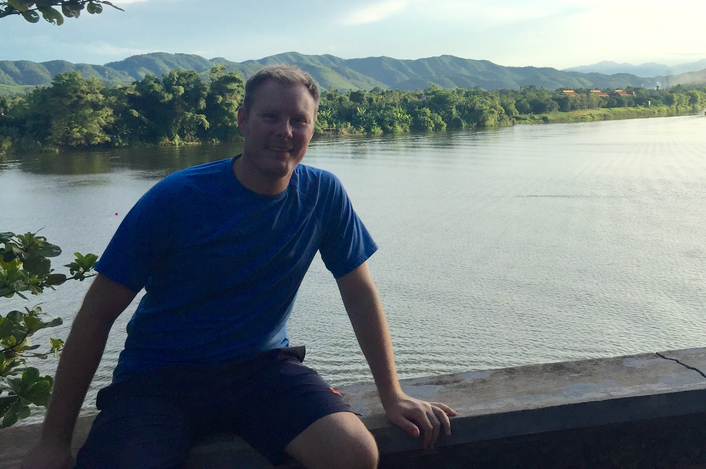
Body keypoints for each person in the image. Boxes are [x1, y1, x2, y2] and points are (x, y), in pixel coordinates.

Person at [21, 65, 455, 469]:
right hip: (159, 380)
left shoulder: (323, 194)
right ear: (243, 120)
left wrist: (392, 393)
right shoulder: (176, 198)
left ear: (312, 128)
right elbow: (97, 313)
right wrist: (54, 441)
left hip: (261, 370)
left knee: (355, 453)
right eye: (270, 117)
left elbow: (358, 292)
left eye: (298, 121)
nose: (284, 132)